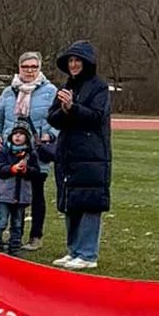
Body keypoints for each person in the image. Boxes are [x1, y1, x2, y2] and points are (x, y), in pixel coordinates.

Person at [46, 40, 111, 270]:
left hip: (92, 154)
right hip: (69, 153)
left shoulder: (99, 88)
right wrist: (65, 110)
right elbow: (52, 117)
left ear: (87, 63)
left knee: (89, 203)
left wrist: (73, 108)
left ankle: (88, 253)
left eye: (77, 61)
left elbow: (96, 116)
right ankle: (73, 249)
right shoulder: (67, 86)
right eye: (71, 61)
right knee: (71, 201)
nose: (73, 65)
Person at [0, 51, 57, 250]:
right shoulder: (9, 92)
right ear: (19, 68)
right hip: (11, 151)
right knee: (8, 193)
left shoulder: (50, 91)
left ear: (40, 68)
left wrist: (49, 135)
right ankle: (5, 234)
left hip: (35, 152)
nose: (29, 71)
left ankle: (35, 236)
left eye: (34, 67)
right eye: (26, 67)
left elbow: (58, 120)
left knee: (35, 193)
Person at [0, 121, 37, 254]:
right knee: (1, 221)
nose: (17, 136)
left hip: (21, 195)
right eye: (15, 134)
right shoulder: (5, 152)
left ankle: (15, 246)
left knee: (17, 223)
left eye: (21, 134)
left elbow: (35, 172)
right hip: (5, 194)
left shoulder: (30, 154)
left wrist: (26, 170)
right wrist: (12, 169)